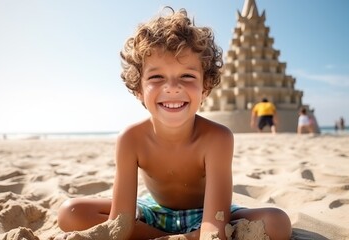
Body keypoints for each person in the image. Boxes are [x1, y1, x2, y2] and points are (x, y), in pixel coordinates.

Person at [55, 7, 291, 240]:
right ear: (138, 89)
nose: (172, 87)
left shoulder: (217, 137)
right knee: (71, 213)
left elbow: (214, 226)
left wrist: (206, 233)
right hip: (154, 212)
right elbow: (122, 222)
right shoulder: (131, 139)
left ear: (205, 87)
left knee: (277, 223)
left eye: (187, 76)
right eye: (157, 77)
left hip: (206, 214)